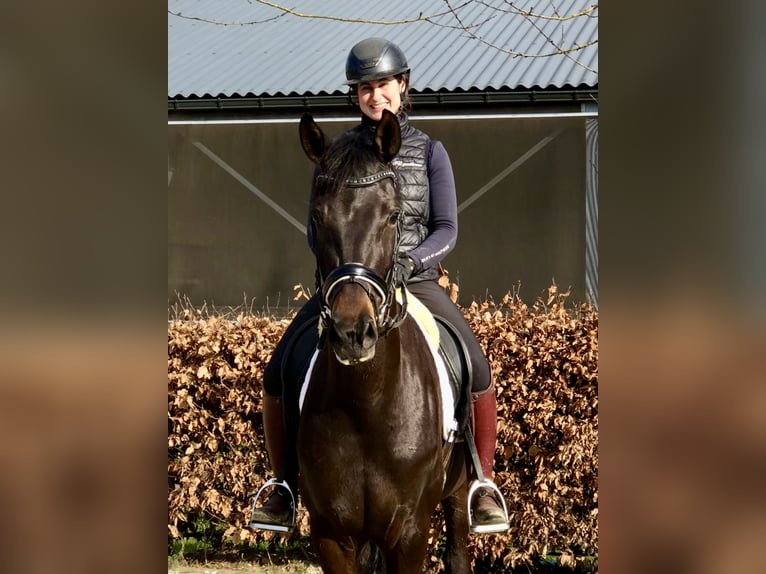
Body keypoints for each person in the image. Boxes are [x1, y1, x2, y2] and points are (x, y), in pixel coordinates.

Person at [250, 37, 508, 533]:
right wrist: (340, 273)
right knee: (279, 366)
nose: (374, 96)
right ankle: (283, 484)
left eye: (382, 85)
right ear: (357, 94)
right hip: (351, 284)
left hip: (415, 279)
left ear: (402, 86)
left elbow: (447, 228)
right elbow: (316, 227)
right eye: (364, 88)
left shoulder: (430, 152)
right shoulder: (339, 156)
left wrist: (410, 262)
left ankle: (480, 483)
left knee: (474, 363)